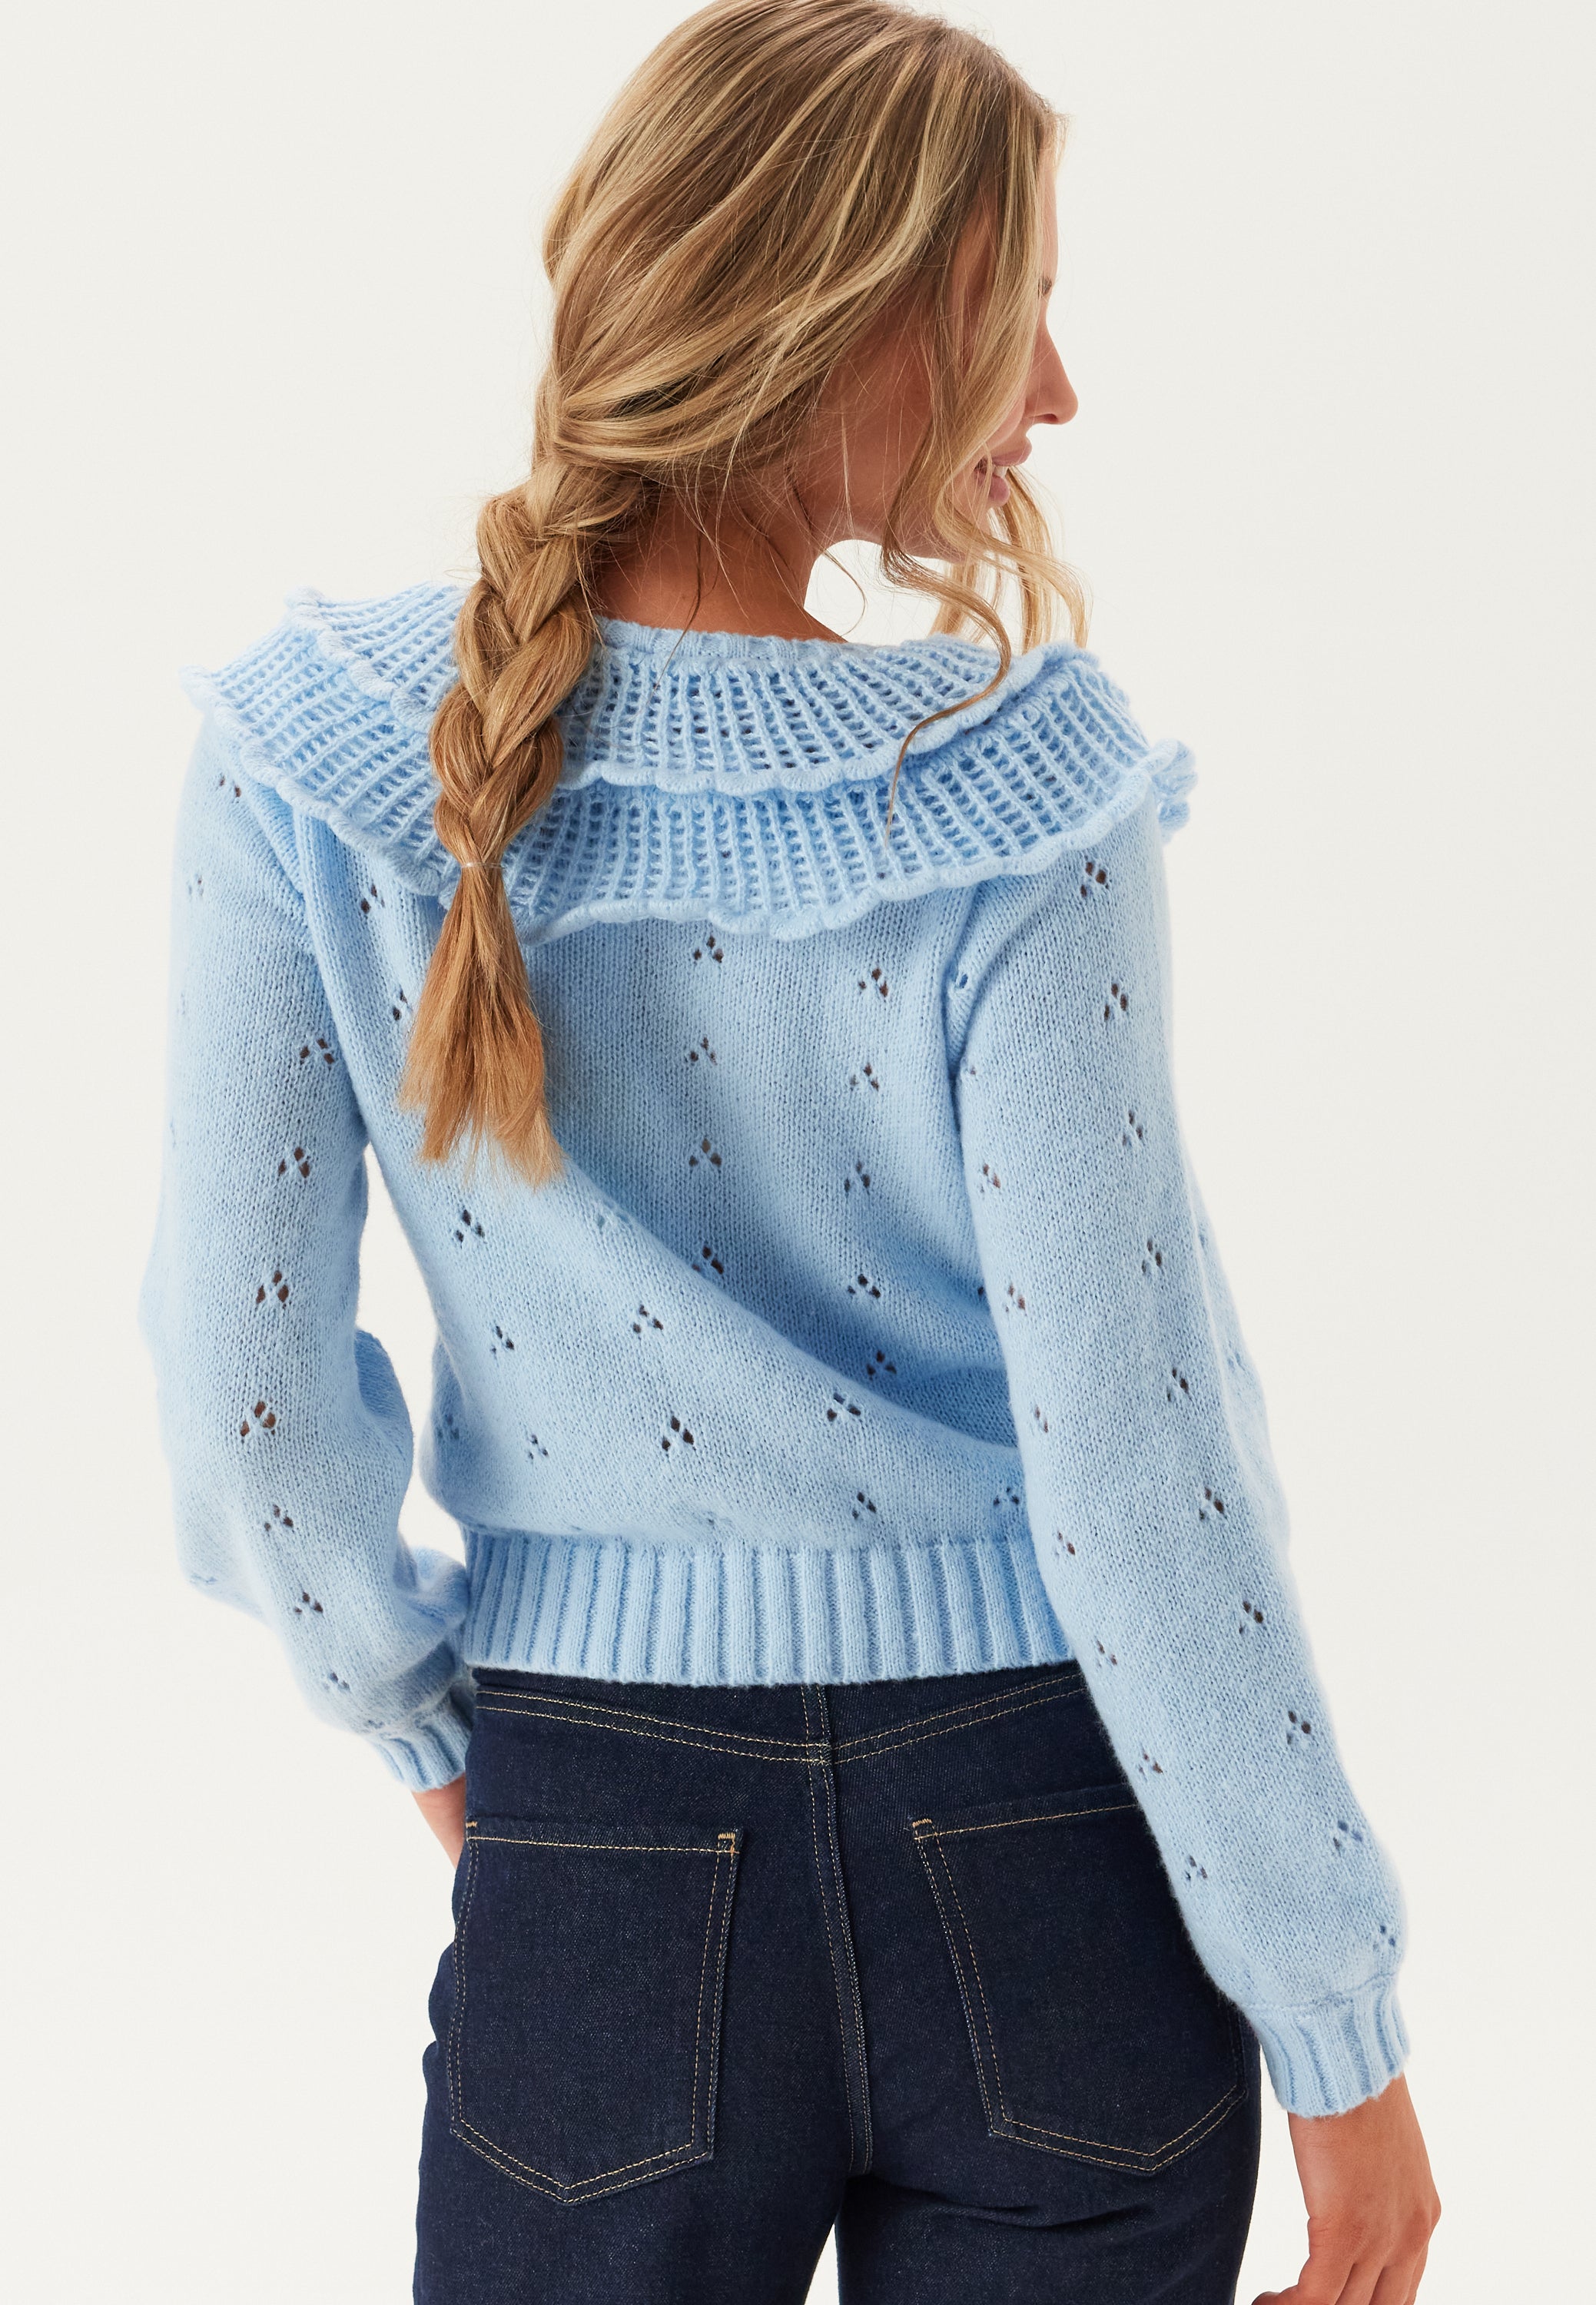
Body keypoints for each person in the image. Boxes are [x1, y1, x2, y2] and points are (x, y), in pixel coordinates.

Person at [141, 3, 1441, 2300]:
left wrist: (433, 1731)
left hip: (598, 1835)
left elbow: (245, 1401)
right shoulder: (1018, 787)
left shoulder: (310, 758)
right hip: (1052, 1852)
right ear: (847, 323)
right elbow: (1140, 1467)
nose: (1060, 395)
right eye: (1024, 312)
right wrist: (1339, 2030)